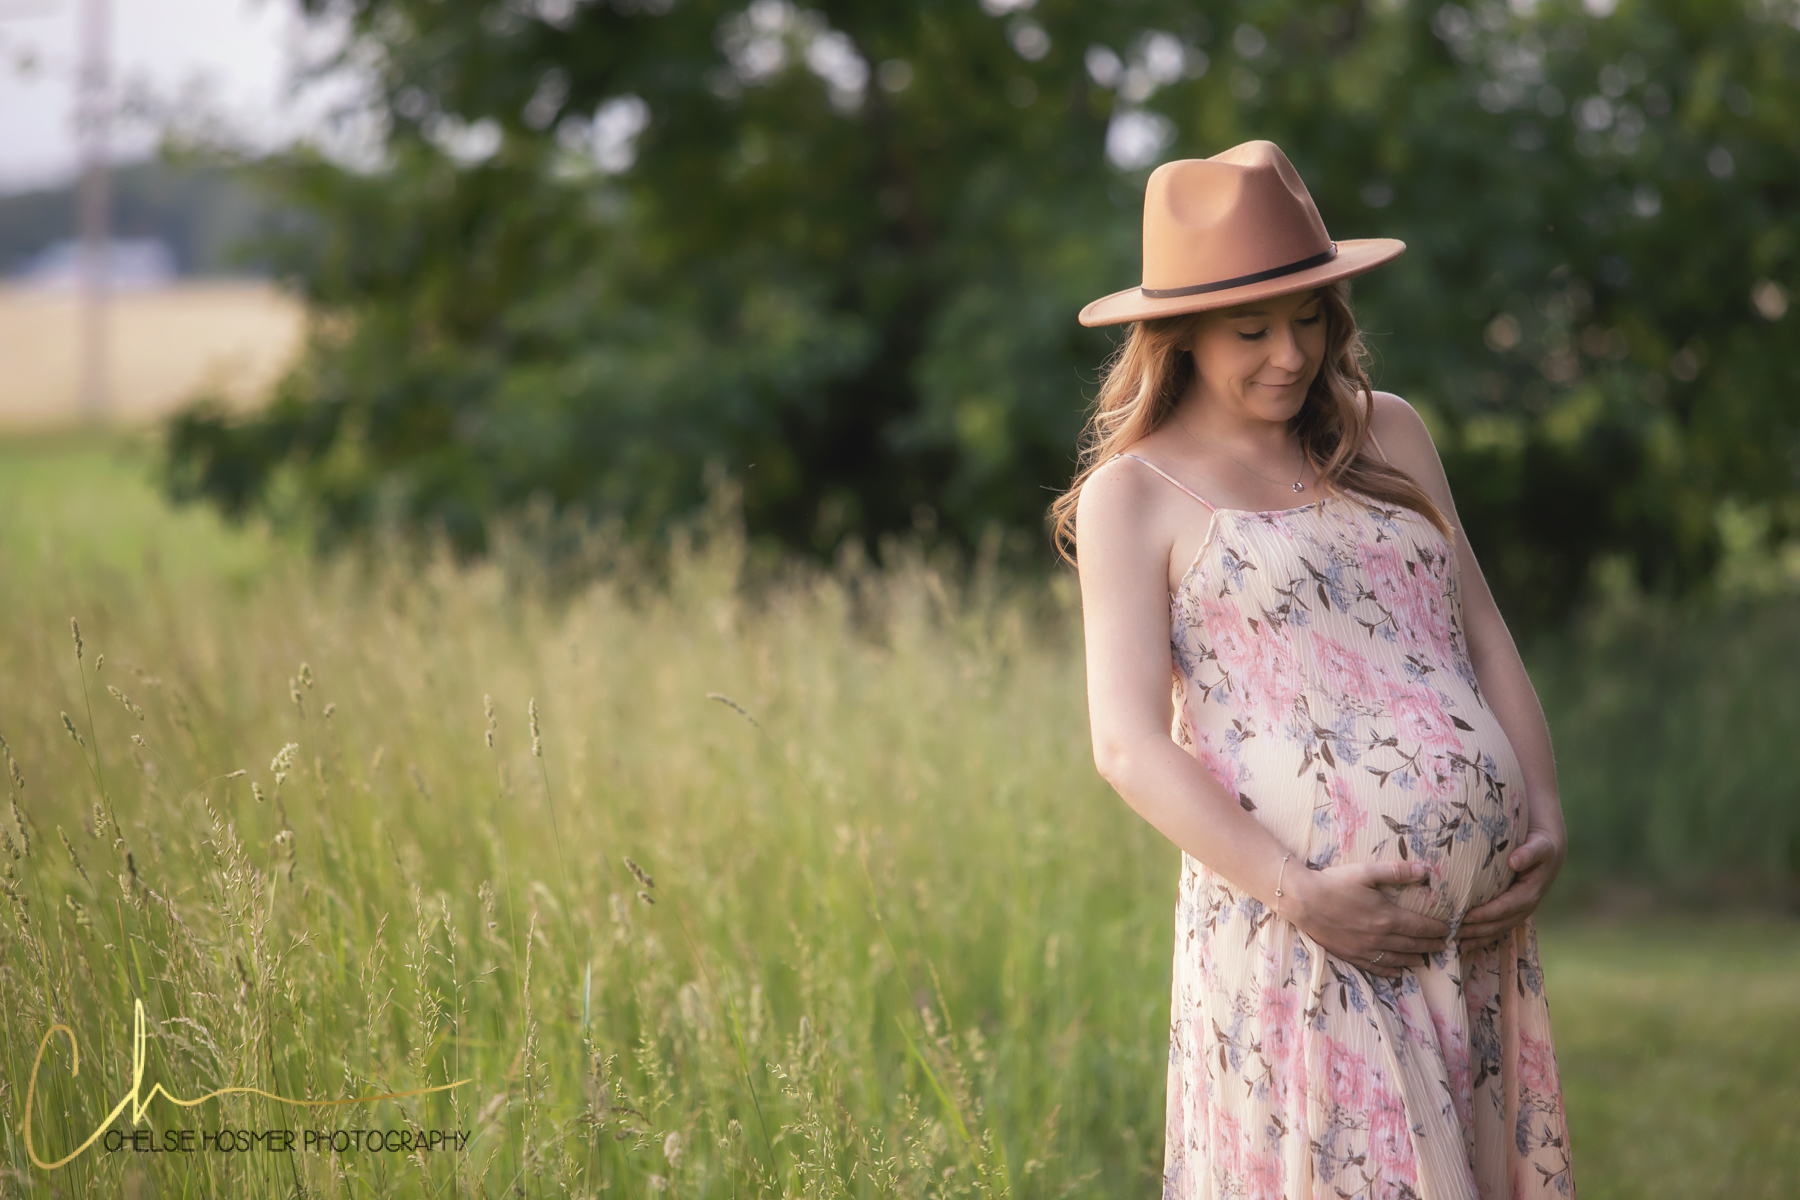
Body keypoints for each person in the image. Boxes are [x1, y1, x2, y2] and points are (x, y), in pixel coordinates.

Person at [1051, 141, 1576, 1199]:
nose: (1290, 354)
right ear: (1181, 334)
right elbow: (1128, 745)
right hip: (1304, 939)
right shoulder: (1133, 493)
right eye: (1252, 330)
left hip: (1471, 940)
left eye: (1309, 318)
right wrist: (1300, 894)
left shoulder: (1390, 434)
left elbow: (1481, 633)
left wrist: (1544, 815)